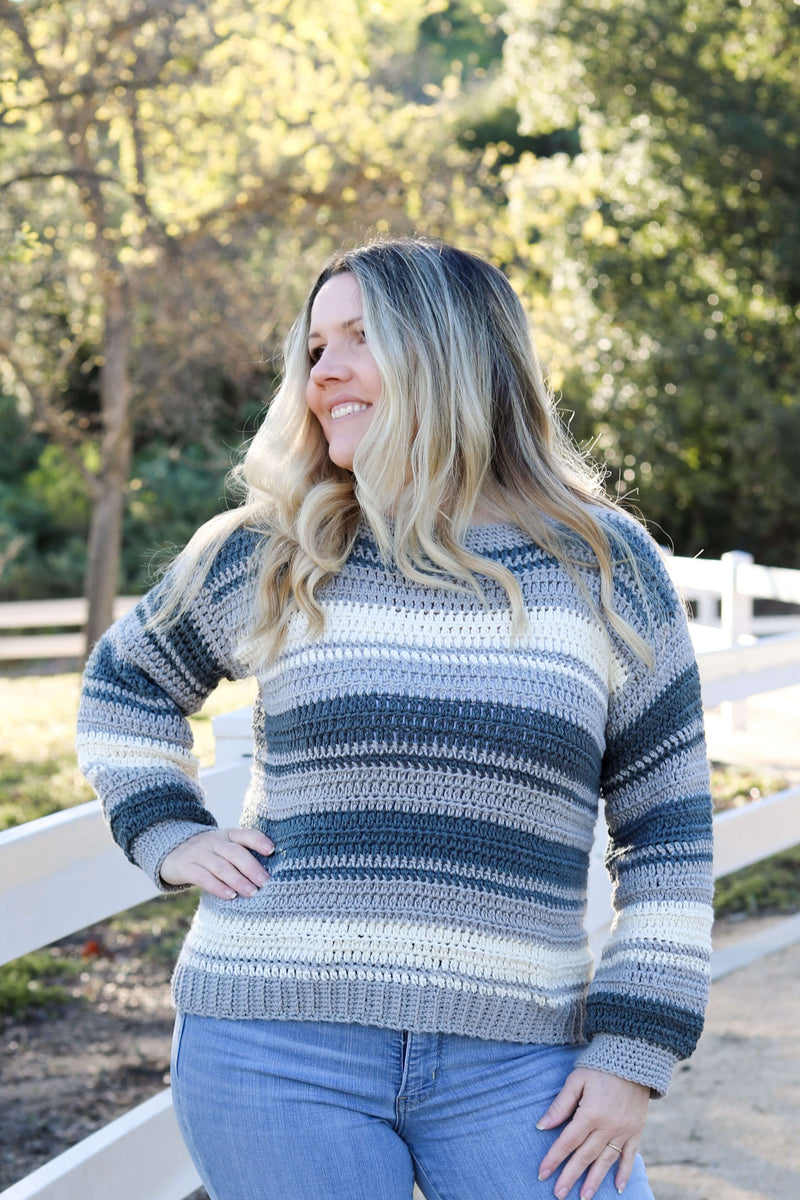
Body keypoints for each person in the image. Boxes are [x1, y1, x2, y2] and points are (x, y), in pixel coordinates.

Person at [77, 238, 714, 1200]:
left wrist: (635, 1051)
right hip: (274, 1047)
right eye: (314, 349)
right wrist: (165, 830)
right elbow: (125, 683)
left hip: (521, 1061)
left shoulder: (601, 563)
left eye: (357, 339)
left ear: (453, 353)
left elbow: (669, 831)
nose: (321, 373)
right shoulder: (276, 548)